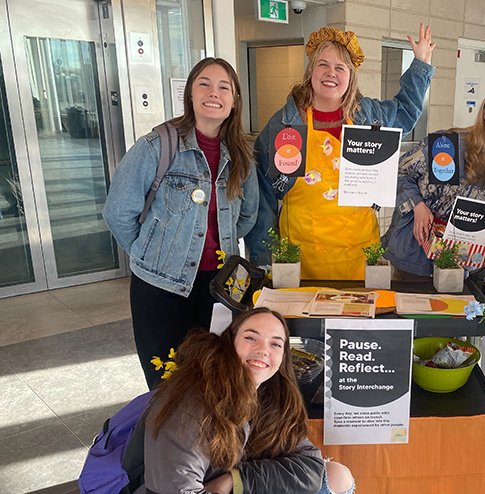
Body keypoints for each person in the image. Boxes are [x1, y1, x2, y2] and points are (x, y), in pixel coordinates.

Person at [103, 58, 258, 389]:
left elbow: (248, 215)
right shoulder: (157, 146)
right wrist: (151, 254)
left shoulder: (241, 154)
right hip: (160, 289)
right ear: (190, 94)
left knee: (217, 377)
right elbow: (118, 210)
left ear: (234, 100)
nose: (213, 93)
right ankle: (170, 442)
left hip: (221, 286)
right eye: (204, 84)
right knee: (168, 384)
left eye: (223, 87)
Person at [244, 24, 436, 281]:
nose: (330, 73)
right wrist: (264, 259)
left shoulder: (368, 116)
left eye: (340, 67)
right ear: (311, 70)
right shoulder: (286, 124)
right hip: (300, 257)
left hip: (359, 254)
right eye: (323, 64)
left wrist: (421, 64)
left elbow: (405, 112)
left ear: (350, 76)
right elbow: (264, 196)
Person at [132, 307, 354, 493]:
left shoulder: (268, 394)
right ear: (229, 343)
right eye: (250, 338)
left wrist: (234, 480)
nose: (263, 350)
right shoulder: (192, 400)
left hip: (223, 484)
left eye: (275, 344)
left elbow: (310, 466)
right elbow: (175, 488)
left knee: (338, 477)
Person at [382, 81, 485, 277]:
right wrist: (417, 205)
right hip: (412, 257)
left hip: (459, 269)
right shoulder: (447, 144)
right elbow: (398, 172)